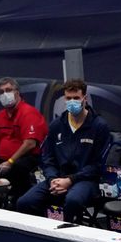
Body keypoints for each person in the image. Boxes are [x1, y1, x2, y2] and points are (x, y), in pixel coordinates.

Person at [16, 79, 110, 223]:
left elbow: (98, 165)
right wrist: (52, 179)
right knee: (24, 202)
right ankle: (45, 231)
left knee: (73, 200)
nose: (72, 101)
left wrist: (70, 180)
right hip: (57, 178)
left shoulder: (99, 126)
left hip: (85, 180)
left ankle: (68, 235)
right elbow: (48, 158)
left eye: (76, 98)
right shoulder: (57, 125)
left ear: (85, 98)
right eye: (68, 98)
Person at [0, 77, 48, 205]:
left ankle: (18, 203)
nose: (4, 94)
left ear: (17, 92)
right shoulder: (0, 115)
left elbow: (30, 143)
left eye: (8, 90)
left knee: (18, 168)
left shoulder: (28, 113)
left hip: (26, 158)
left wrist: (10, 161)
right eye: (1, 92)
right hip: (2, 160)